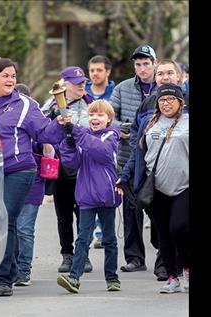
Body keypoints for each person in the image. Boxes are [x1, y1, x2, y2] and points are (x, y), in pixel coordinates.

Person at [0, 58, 70, 296]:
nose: (10, 80)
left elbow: (44, 133)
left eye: (13, 76)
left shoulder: (25, 104)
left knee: (5, 218)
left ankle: (3, 279)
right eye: (5, 76)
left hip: (18, 169)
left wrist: (60, 123)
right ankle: (3, 268)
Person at [122, 83, 189, 293]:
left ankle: (186, 269)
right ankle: (172, 277)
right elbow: (137, 153)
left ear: (180, 101)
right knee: (163, 235)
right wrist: (124, 176)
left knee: (178, 228)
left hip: (184, 187)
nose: (166, 103)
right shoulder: (149, 123)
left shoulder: (187, 123)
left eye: (171, 99)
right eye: (162, 100)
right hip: (156, 188)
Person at [56, 100, 122, 293]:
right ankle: (74, 278)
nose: (95, 118)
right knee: (83, 239)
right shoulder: (84, 138)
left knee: (109, 239)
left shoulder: (111, 135)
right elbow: (73, 162)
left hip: (106, 196)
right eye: (91, 114)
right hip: (86, 196)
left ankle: (112, 278)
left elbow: (101, 152)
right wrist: (68, 144)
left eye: (100, 115)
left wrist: (76, 132)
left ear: (109, 119)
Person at [109, 44, 158, 273]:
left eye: (146, 63)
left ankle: (163, 253)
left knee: (158, 210)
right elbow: (109, 116)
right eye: (138, 64)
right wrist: (123, 128)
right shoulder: (122, 88)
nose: (142, 68)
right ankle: (135, 258)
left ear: (154, 64)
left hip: (159, 160)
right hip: (129, 158)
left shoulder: (164, 88)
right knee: (131, 210)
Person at [41, 66, 94, 273]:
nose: (81, 85)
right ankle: (67, 255)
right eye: (76, 81)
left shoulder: (91, 104)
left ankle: (84, 254)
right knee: (63, 215)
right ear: (64, 84)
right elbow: (42, 132)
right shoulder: (50, 105)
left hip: (84, 167)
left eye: (83, 81)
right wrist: (54, 118)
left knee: (84, 214)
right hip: (62, 168)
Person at [13, 83, 55, 286]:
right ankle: (10, 268)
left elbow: (50, 154)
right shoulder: (8, 124)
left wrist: (45, 136)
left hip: (33, 183)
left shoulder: (35, 123)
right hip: (10, 182)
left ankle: (24, 270)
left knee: (24, 229)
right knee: (12, 227)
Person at [85, 55, 116, 249]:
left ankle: (104, 233)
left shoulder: (115, 92)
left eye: (99, 70)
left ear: (107, 72)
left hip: (108, 150)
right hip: (87, 150)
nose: (95, 74)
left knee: (105, 192)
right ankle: (91, 234)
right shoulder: (83, 91)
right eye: (92, 70)